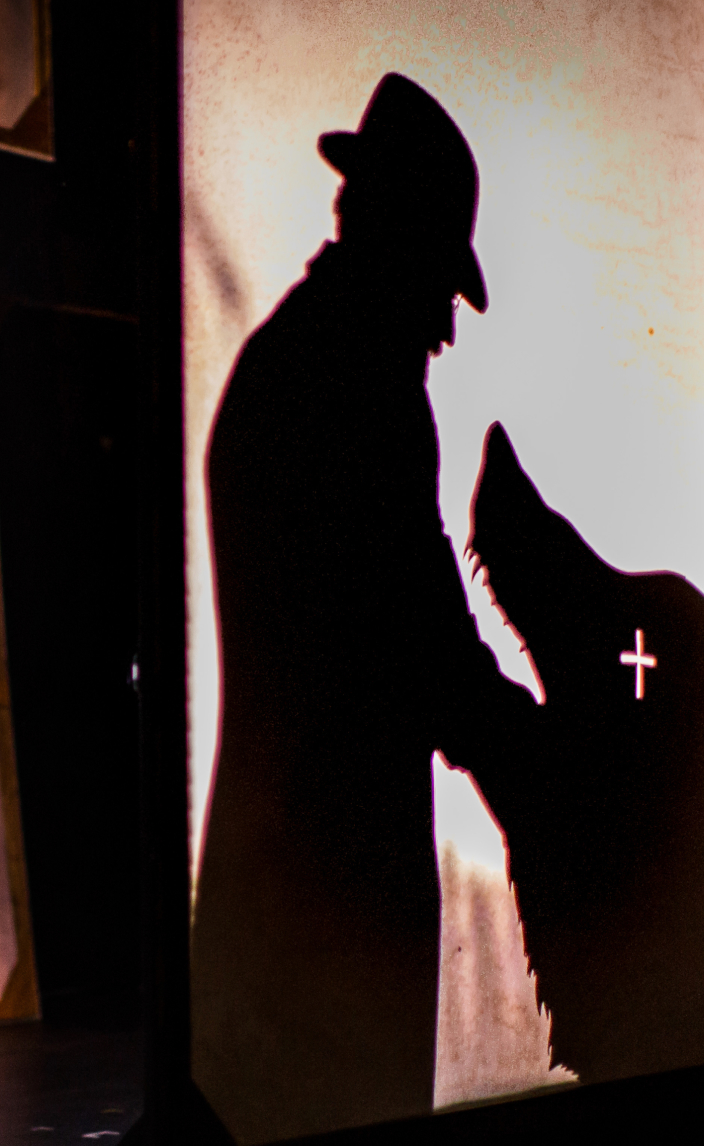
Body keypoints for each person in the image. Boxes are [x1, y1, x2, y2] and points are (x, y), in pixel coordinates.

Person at [190, 73, 539, 1143]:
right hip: (329, 922)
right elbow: (425, 646)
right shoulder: (355, 388)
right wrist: (559, 776)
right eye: (440, 284)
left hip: (277, 910)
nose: (445, 327)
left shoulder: (289, 365)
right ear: (396, 241)